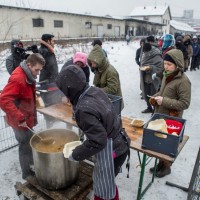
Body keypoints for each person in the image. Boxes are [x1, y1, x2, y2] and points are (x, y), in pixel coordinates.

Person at [56, 65, 130, 200]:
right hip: (120, 142)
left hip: (112, 151)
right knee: (109, 184)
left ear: (69, 89)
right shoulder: (94, 90)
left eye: (64, 92)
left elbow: (98, 141)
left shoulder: (84, 109)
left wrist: (76, 154)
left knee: (103, 190)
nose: (63, 95)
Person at [0, 53, 45, 179]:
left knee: (30, 140)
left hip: (26, 118)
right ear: (29, 65)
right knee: (24, 145)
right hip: (19, 121)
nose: (38, 73)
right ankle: (27, 174)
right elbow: (3, 100)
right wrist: (20, 117)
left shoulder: (28, 74)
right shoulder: (18, 78)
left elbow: (23, 95)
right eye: (37, 70)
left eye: (40, 70)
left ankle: (31, 163)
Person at [149, 49, 191, 178]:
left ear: (177, 65)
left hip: (172, 119)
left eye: (169, 64)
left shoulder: (183, 81)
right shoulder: (167, 75)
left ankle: (166, 167)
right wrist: (155, 98)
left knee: (167, 144)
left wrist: (164, 101)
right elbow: (162, 93)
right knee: (160, 141)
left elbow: (185, 103)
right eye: (165, 63)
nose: (165, 67)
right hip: (161, 115)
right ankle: (161, 164)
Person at [140, 42, 163, 113]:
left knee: (153, 95)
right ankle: (149, 107)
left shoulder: (156, 55)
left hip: (153, 79)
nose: (145, 53)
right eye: (144, 52)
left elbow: (160, 67)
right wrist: (142, 68)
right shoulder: (144, 53)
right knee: (146, 94)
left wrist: (151, 67)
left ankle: (154, 111)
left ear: (150, 51)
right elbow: (142, 63)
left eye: (146, 52)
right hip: (146, 78)